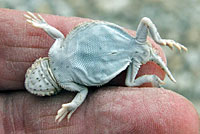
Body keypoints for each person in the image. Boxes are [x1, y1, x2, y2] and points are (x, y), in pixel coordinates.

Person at [0, 8, 199, 134]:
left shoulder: (56, 59)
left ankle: (153, 74)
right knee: (130, 82)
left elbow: (60, 38)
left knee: (131, 81)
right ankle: (153, 75)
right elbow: (83, 90)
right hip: (104, 56)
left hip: (109, 53)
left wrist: (43, 25)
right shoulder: (59, 66)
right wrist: (70, 105)